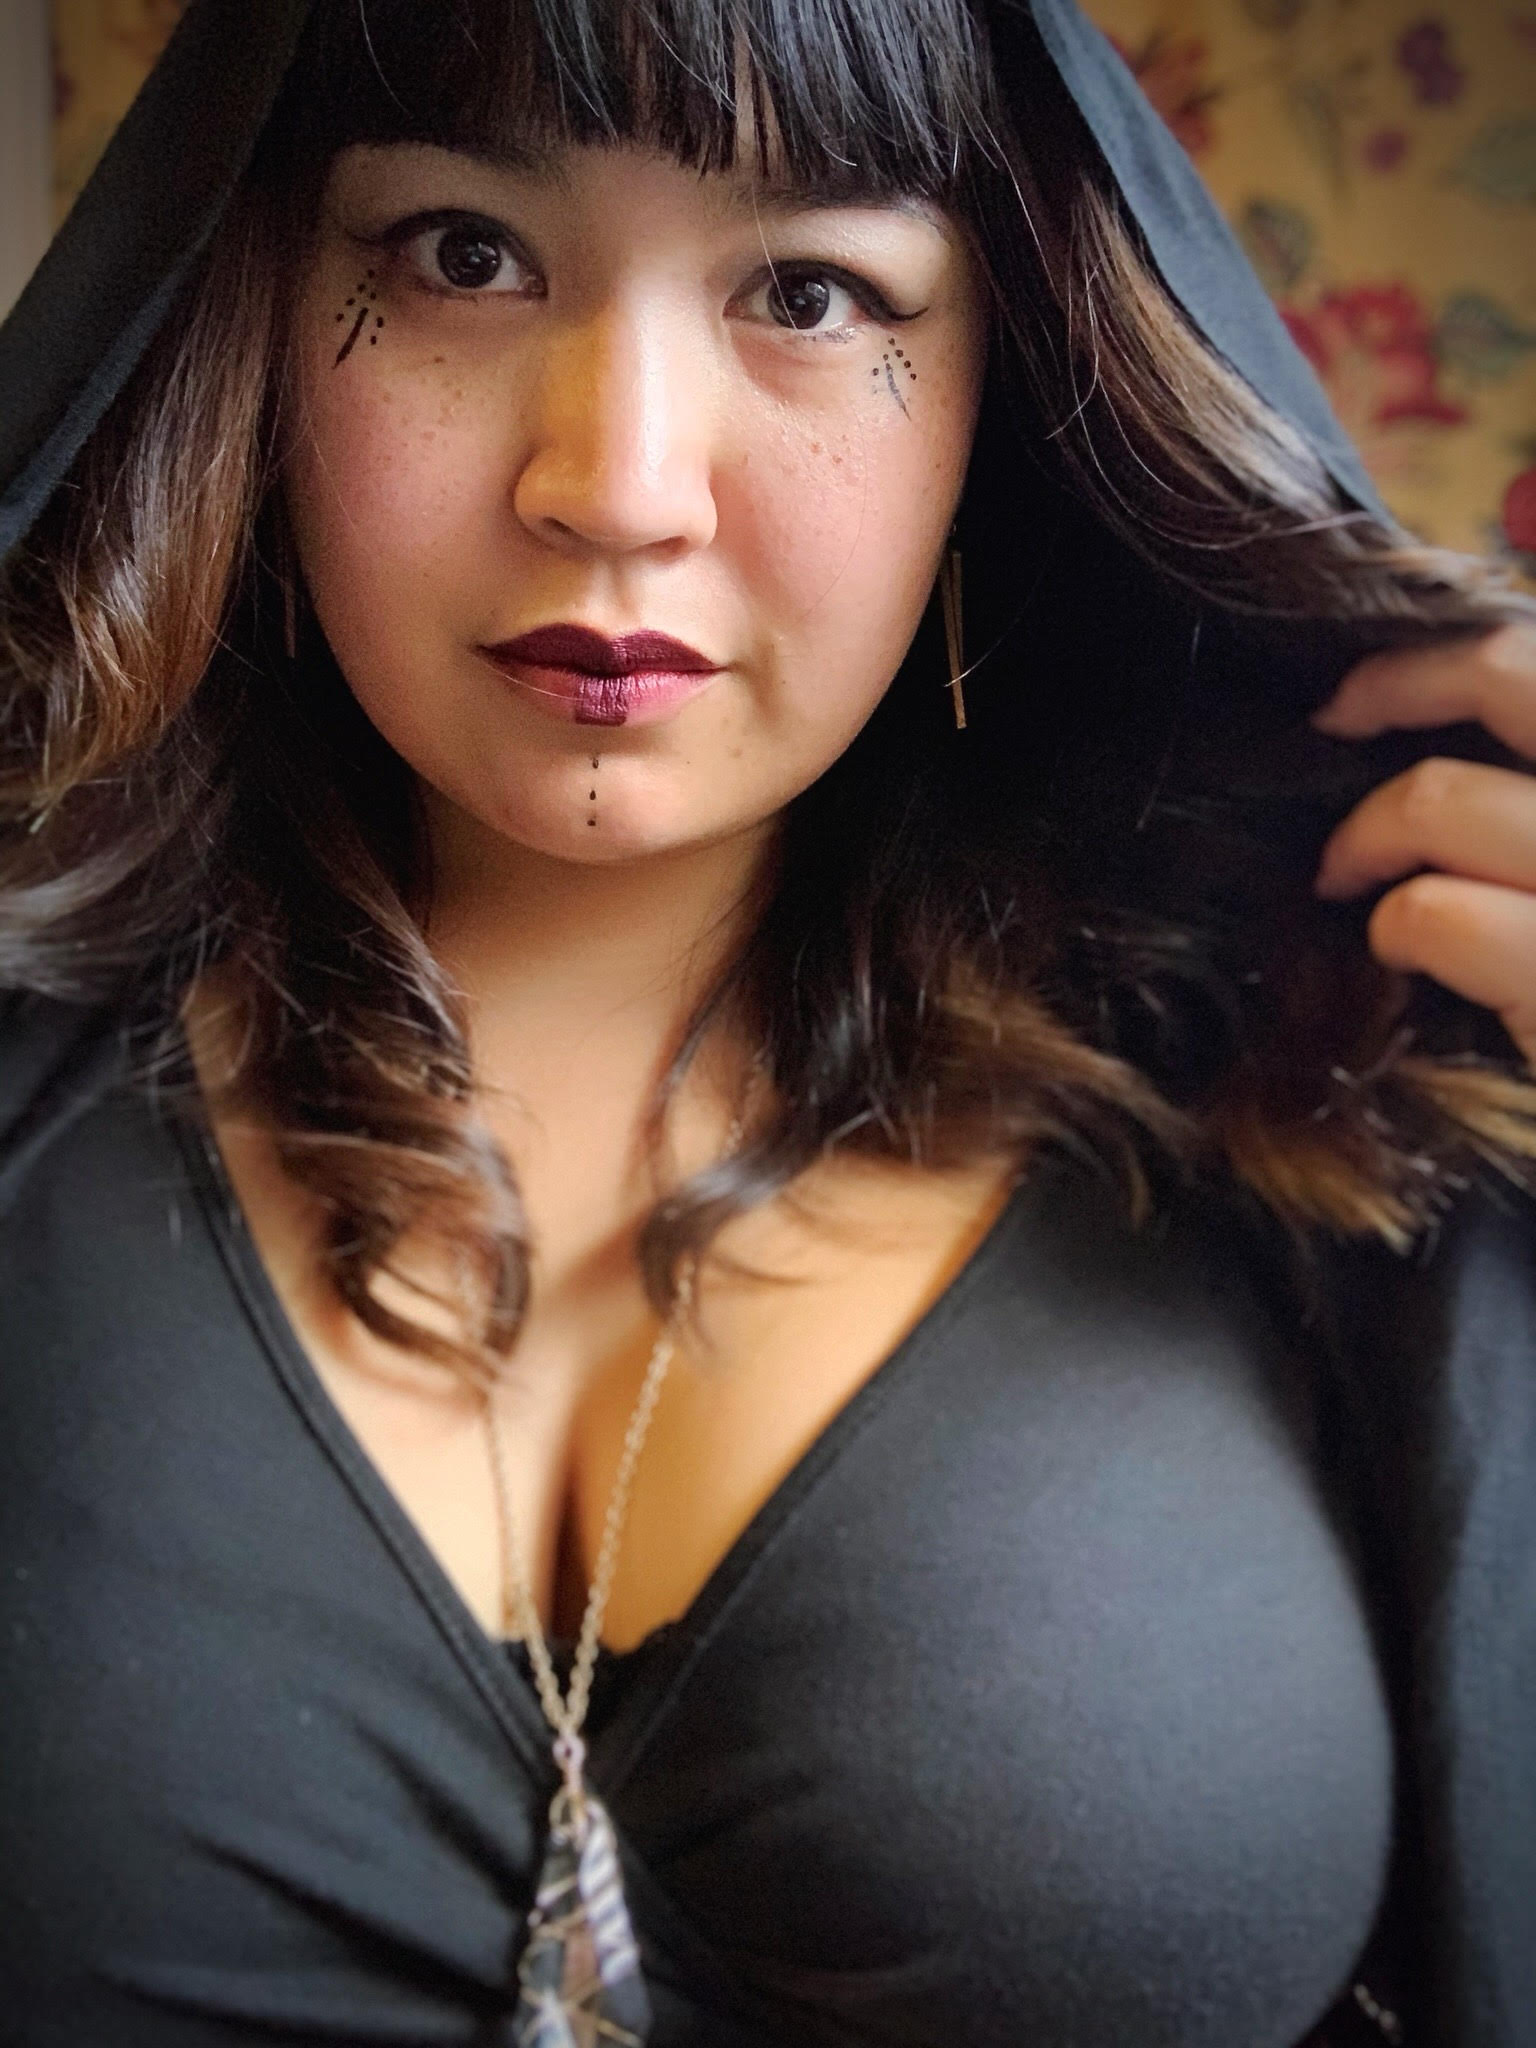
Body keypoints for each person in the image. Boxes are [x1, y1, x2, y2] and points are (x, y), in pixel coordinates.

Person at [1, 0, 1534, 2042]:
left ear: (996, 386)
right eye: (466, 254)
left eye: (809, 292)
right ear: (257, 311)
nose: (616, 486)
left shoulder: (1343, 1075)